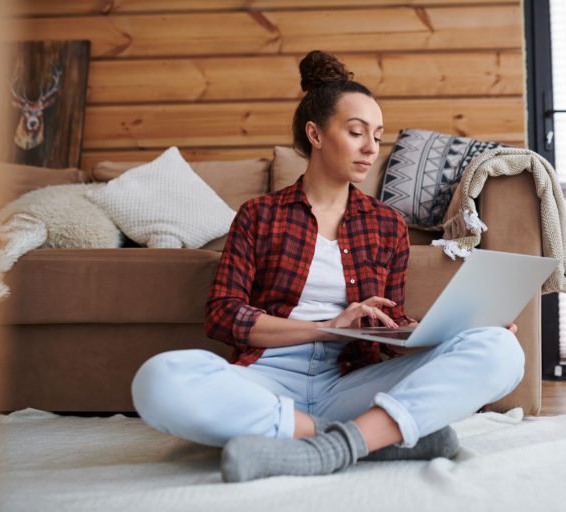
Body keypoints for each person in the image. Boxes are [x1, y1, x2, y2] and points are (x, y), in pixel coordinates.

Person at [131, 50, 524, 483]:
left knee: (501, 350)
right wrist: (330, 325)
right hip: (268, 382)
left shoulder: (386, 223)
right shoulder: (259, 215)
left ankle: (331, 447)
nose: (371, 148)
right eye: (356, 132)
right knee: (158, 380)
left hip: (352, 382)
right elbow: (224, 316)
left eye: (377, 134)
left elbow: (389, 328)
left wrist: (456, 333)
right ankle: (367, 440)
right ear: (315, 134)